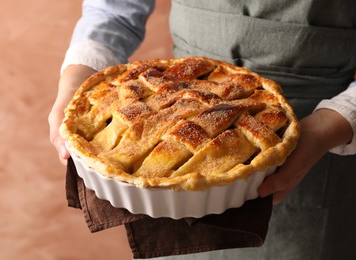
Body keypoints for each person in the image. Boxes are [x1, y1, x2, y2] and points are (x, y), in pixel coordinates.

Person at [48, 1, 356, 259]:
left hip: (319, 136)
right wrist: (77, 80)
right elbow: (114, 9)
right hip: (173, 90)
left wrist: (328, 125)